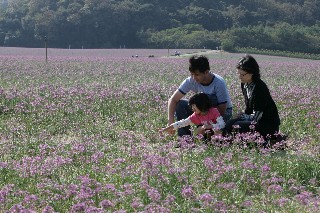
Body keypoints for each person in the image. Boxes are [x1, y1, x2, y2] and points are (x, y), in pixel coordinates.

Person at [167, 55, 232, 137]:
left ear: (206, 71)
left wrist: (205, 123)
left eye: (197, 74)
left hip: (220, 114)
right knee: (181, 104)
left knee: (210, 135)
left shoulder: (219, 83)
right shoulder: (190, 81)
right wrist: (170, 121)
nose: (194, 78)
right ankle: (185, 139)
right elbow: (173, 99)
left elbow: (222, 109)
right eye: (192, 74)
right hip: (202, 111)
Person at [224, 54, 280, 140]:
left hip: (266, 124)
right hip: (254, 121)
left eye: (243, 74)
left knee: (236, 125)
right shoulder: (244, 84)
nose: (240, 77)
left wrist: (242, 117)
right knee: (229, 124)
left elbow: (257, 118)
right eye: (238, 74)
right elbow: (249, 109)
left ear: (252, 73)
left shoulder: (260, 87)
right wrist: (243, 115)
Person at [160, 93, 225, 137]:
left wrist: (210, 126)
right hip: (206, 135)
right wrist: (165, 129)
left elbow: (222, 124)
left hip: (216, 132)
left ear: (201, 104)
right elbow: (182, 123)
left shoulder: (213, 111)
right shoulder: (195, 116)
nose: (192, 108)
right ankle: (203, 143)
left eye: (193, 105)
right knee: (200, 129)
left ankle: (218, 144)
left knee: (217, 130)